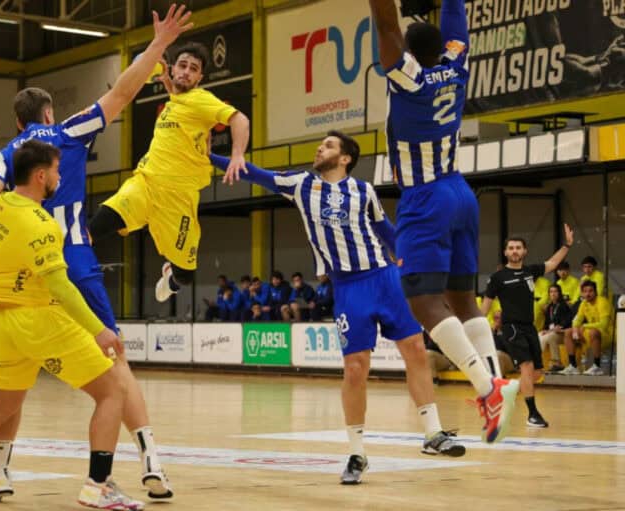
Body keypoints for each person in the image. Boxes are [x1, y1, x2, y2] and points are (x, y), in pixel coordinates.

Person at [0, 5, 193, 501]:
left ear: (17, 122)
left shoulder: (6, 155)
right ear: (48, 115)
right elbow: (123, 92)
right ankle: (150, 464)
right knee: (114, 364)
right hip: (73, 264)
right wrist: (157, 46)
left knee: (12, 387)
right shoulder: (67, 133)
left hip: (22, 275)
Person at [213, 130, 466, 486]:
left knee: (416, 351)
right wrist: (210, 156)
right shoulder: (301, 184)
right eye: (321, 144)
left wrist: (412, 267)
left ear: (345, 157)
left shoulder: (364, 191)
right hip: (347, 286)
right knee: (355, 369)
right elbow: (253, 172)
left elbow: (388, 232)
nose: (320, 148)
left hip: (385, 277)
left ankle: (433, 433)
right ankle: (357, 453)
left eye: (329, 145)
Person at [0, 141, 142, 510]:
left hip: (4, 320)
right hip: (40, 318)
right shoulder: (41, 225)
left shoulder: (2, 203)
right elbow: (60, 286)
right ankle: (98, 485)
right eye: (56, 170)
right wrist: (99, 329)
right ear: (41, 176)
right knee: (113, 391)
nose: (59, 176)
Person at [368, 0, 519, 443]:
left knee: (421, 299)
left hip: (425, 196)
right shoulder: (456, 63)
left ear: (408, 55)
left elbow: (384, 22)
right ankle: (497, 385)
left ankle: (487, 388)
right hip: (459, 191)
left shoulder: (406, 76)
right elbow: (455, 11)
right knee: (462, 296)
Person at [88, 41, 251, 304]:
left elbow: (240, 119)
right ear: (174, 69)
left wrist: (237, 155)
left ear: (200, 77)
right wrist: (162, 77)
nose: (187, 71)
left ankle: (170, 275)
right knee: (94, 228)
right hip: (145, 184)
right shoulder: (175, 98)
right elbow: (176, 94)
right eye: (183, 65)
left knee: (185, 276)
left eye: (194, 68)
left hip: (179, 200)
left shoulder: (201, 100)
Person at [481, 228, 574, 428]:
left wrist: (567, 245)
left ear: (525, 251)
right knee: (527, 367)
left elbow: (552, 263)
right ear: (505, 252)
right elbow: (485, 306)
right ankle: (532, 414)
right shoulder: (498, 278)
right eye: (511, 248)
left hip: (529, 327)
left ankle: (507, 389)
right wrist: (477, 328)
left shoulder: (530, 271)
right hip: (511, 328)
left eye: (518, 248)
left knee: (537, 372)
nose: (514, 251)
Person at [561, 281, 612, 376]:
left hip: (608, 334)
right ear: (582, 293)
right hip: (591, 333)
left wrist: (584, 326)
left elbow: (604, 324)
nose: (587, 294)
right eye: (585, 291)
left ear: (595, 291)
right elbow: (577, 320)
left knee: (593, 332)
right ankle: (573, 366)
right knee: (568, 332)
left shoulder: (602, 301)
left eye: (590, 291)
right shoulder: (583, 303)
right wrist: (575, 328)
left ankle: (597, 367)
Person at [539, 284, 574, 373]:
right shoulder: (550, 307)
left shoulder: (563, 305)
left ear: (559, 293)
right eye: (551, 292)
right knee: (539, 335)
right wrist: (545, 329)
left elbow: (565, 323)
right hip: (553, 331)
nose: (553, 294)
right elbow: (547, 323)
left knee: (550, 336)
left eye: (555, 291)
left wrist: (551, 330)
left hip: (563, 333)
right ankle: (538, 362)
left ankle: (557, 363)